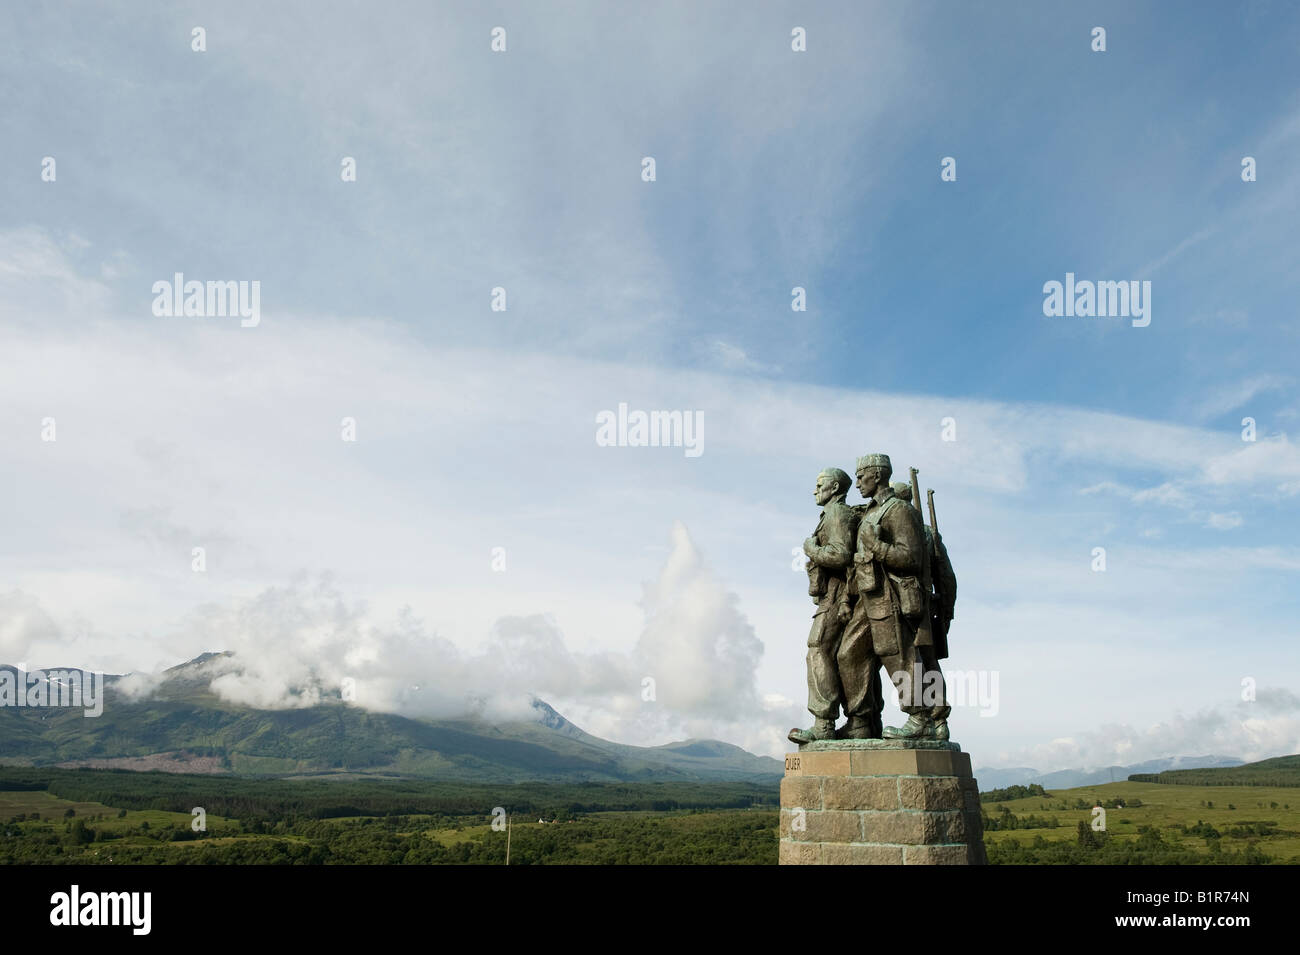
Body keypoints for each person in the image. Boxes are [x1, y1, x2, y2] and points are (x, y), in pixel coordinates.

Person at [788, 468, 859, 745]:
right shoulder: (831, 515)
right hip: (834, 593)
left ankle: (824, 724)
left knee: (818, 649)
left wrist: (811, 549)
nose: (815, 490)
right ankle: (855, 721)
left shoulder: (836, 514)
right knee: (837, 655)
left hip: (837, 593)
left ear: (835, 488)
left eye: (820, 485)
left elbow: (841, 555)